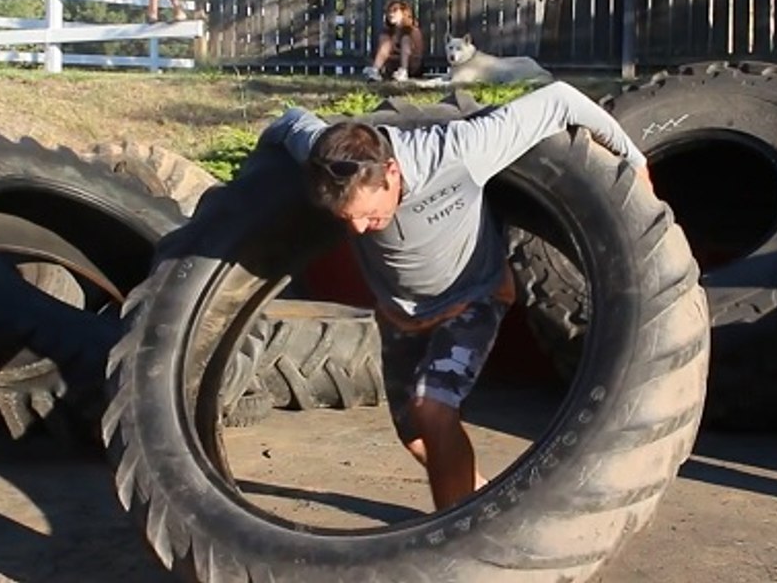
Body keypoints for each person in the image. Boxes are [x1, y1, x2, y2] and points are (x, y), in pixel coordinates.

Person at [259, 81, 652, 511]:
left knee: (434, 410)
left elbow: (559, 99)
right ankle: (483, 505)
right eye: (346, 220)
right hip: (401, 314)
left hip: (471, 299)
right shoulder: (322, 150)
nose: (357, 230)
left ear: (391, 172)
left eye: (369, 215)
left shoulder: (458, 151)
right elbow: (288, 120)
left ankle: (455, 533)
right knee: (414, 434)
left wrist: (634, 161)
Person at [364, 0, 424, 83]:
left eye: (395, 11)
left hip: (411, 66)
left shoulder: (413, 31)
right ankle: (375, 71)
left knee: (405, 39)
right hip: (392, 66)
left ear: (404, 13)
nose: (391, 14)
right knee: (385, 40)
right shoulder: (388, 32)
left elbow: (416, 55)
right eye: (389, 11)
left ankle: (403, 72)